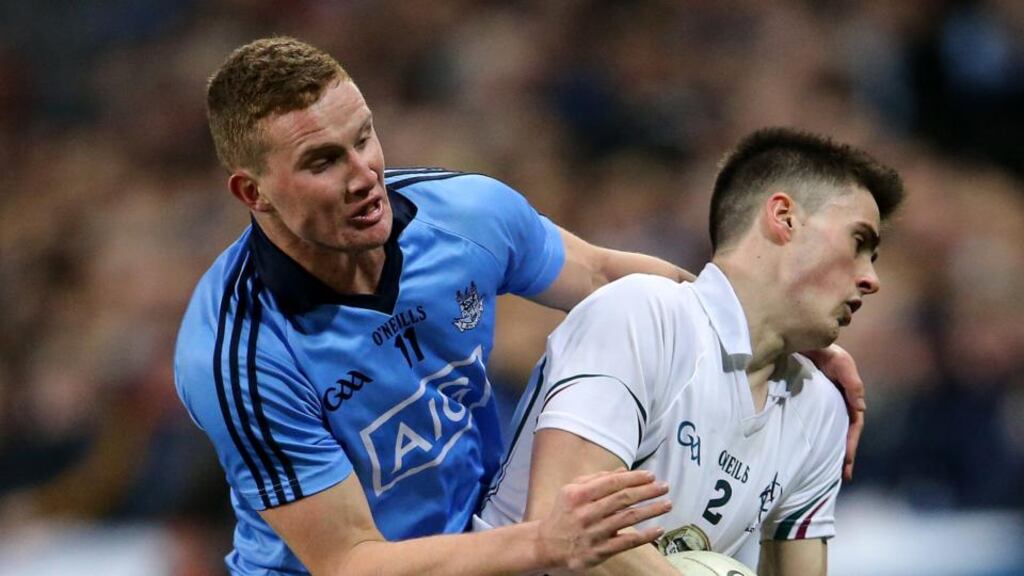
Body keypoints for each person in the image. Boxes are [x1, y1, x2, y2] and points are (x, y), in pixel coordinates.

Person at [173, 37, 868, 575]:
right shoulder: (238, 356)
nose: (365, 177)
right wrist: (542, 541)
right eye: (323, 162)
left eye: (364, 138)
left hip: (481, 553)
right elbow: (349, 559)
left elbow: (603, 274)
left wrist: (776, 333)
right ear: (252, 192)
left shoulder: (465, 216)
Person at [478, 128, 905, 576]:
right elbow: (561, 533)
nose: (871, 279)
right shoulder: (643, 315)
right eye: (859, 244)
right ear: (784, 217)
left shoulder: (819, 409)